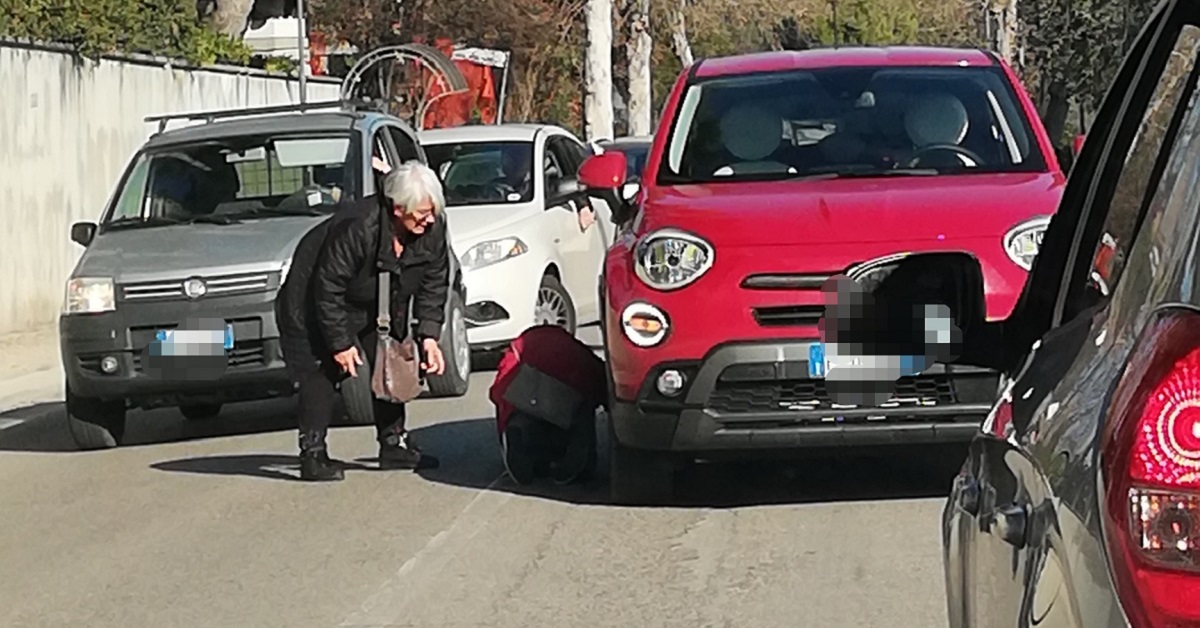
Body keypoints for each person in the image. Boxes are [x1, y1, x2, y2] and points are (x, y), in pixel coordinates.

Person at [276, 161, 450, 482]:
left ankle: (393, 443)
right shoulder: (358, 227)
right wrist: (340, 343)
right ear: (397, 208)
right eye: (421, 213)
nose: (428, 220)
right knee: (322, 369)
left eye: (432, 212)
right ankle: (313, 453)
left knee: (391, 358)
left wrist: (429, 335)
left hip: (380, 298)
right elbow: (327, 287)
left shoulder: (432, 227)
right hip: (314, 296)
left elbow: (435, 281)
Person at [488, 324, 607, 485]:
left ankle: (516, 433)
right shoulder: (574, 348)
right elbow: (600, 379)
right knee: (582, 410)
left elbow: (499, 387)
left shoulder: (518, 346)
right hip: (567, 399)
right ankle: (579, 460)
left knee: (519, 409)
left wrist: (505, 418)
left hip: (526, 396)